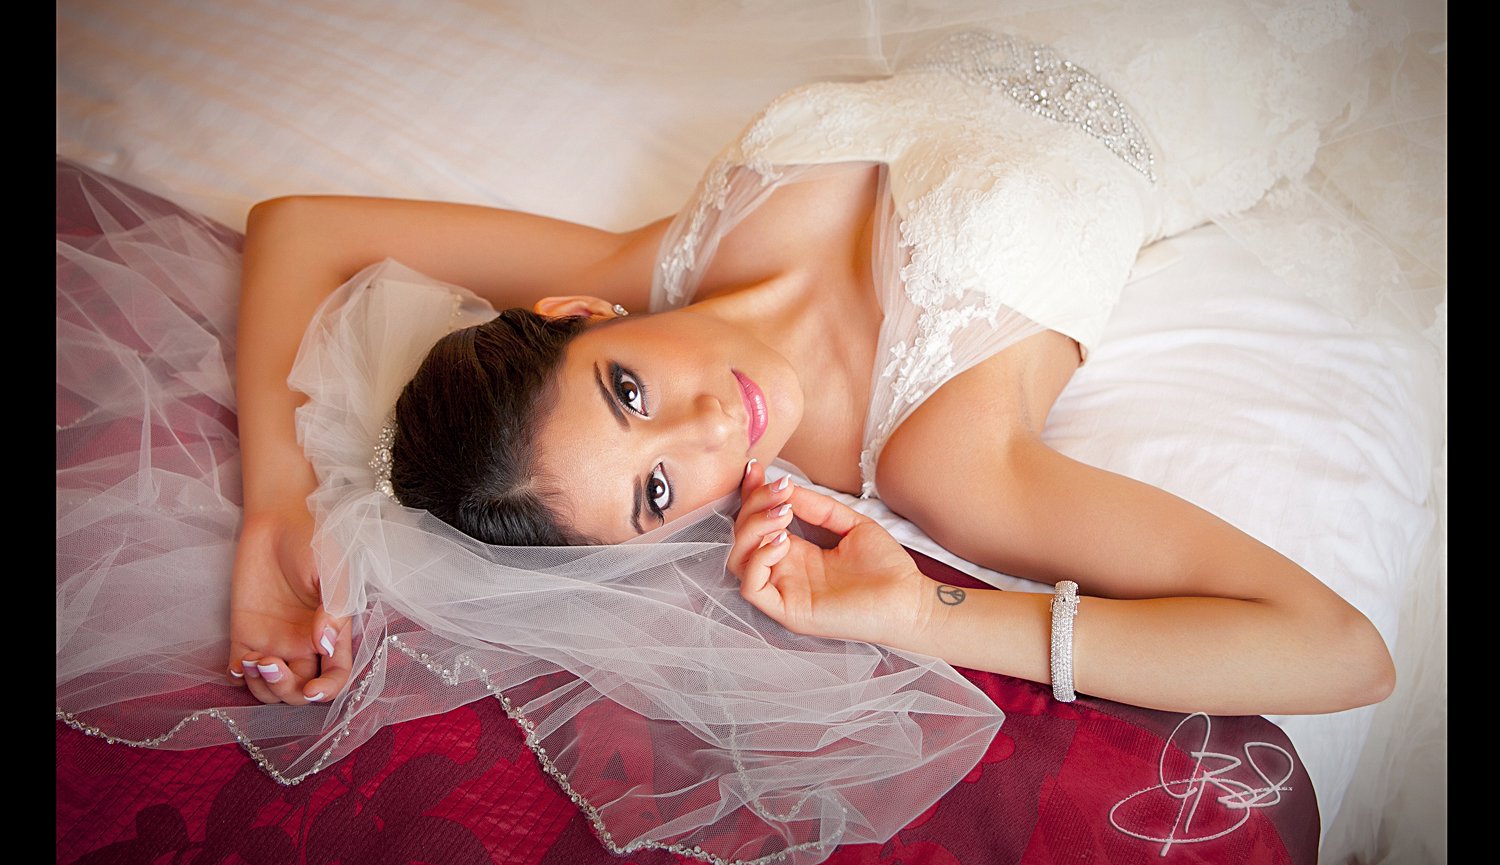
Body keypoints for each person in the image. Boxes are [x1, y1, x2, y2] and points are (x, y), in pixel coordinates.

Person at [226, 27, 1394, 720]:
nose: (705, 436)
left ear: (581, 315)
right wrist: (927, 613)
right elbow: (1339, 648)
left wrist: (275, 505)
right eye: (657, 495)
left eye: (625, 393)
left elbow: (296, 227)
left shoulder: (652, 261)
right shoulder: (945, 454)